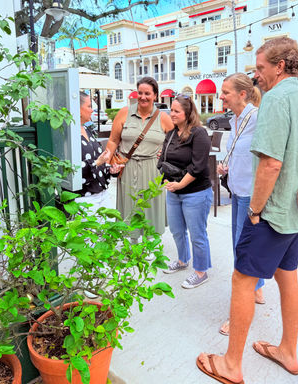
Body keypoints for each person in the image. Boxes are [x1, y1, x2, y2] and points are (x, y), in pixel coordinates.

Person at [197, 37, 298, 384]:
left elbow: (271, 164)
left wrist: (255, 211)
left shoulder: (274, 101)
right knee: (288, 278)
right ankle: (288, 351)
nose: (257, 76)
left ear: (279, 66)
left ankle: (231, 364)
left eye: (260, 68)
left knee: (243, 279)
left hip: (273, 215)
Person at [217, 73, 264, 337]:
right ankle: (257, 287)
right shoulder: (235, 120)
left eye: (225, 92)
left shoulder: (257, 118)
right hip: (237, 190)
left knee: (242, 252)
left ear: (242, 94)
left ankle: (238, 314)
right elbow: (242, 154)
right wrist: (227, 166)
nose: (221, 96)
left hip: (250, 195)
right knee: (239, 247)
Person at [105, 77, 174, 239]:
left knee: (151, 205)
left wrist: (164, 152)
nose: (143, 97)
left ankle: (150, 245)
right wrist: (108, 163)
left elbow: (175, 142)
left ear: (155, 96)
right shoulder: (124, 113)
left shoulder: (163, 118)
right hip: (128, 167)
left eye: (147, 93)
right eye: (140, 93)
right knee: (130, 204)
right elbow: (113, 140)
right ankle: (132, 243)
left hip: (153, 169)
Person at [158, 95, 213, 289]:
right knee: (177, 230)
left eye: (176, 111)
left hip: (195, 192)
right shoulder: (172, 133)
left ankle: (201, 271)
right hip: (174, 191)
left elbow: (198, 167)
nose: (171, 114)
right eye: (171, 110)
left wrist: (180, 184)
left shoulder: (199, 134)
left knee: (197, 234)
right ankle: (182, 261)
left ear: (188, 113)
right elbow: (164, 156)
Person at [76, 92, 122, 213]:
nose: (92, 110)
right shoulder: (69, 135)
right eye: (89, 106)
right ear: (78, 109)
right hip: (84, 198)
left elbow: (97, 161)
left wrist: (111, 170)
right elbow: (71, 171)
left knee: (110, 230)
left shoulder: (87, 129)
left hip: (102, 192)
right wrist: (97, 162)